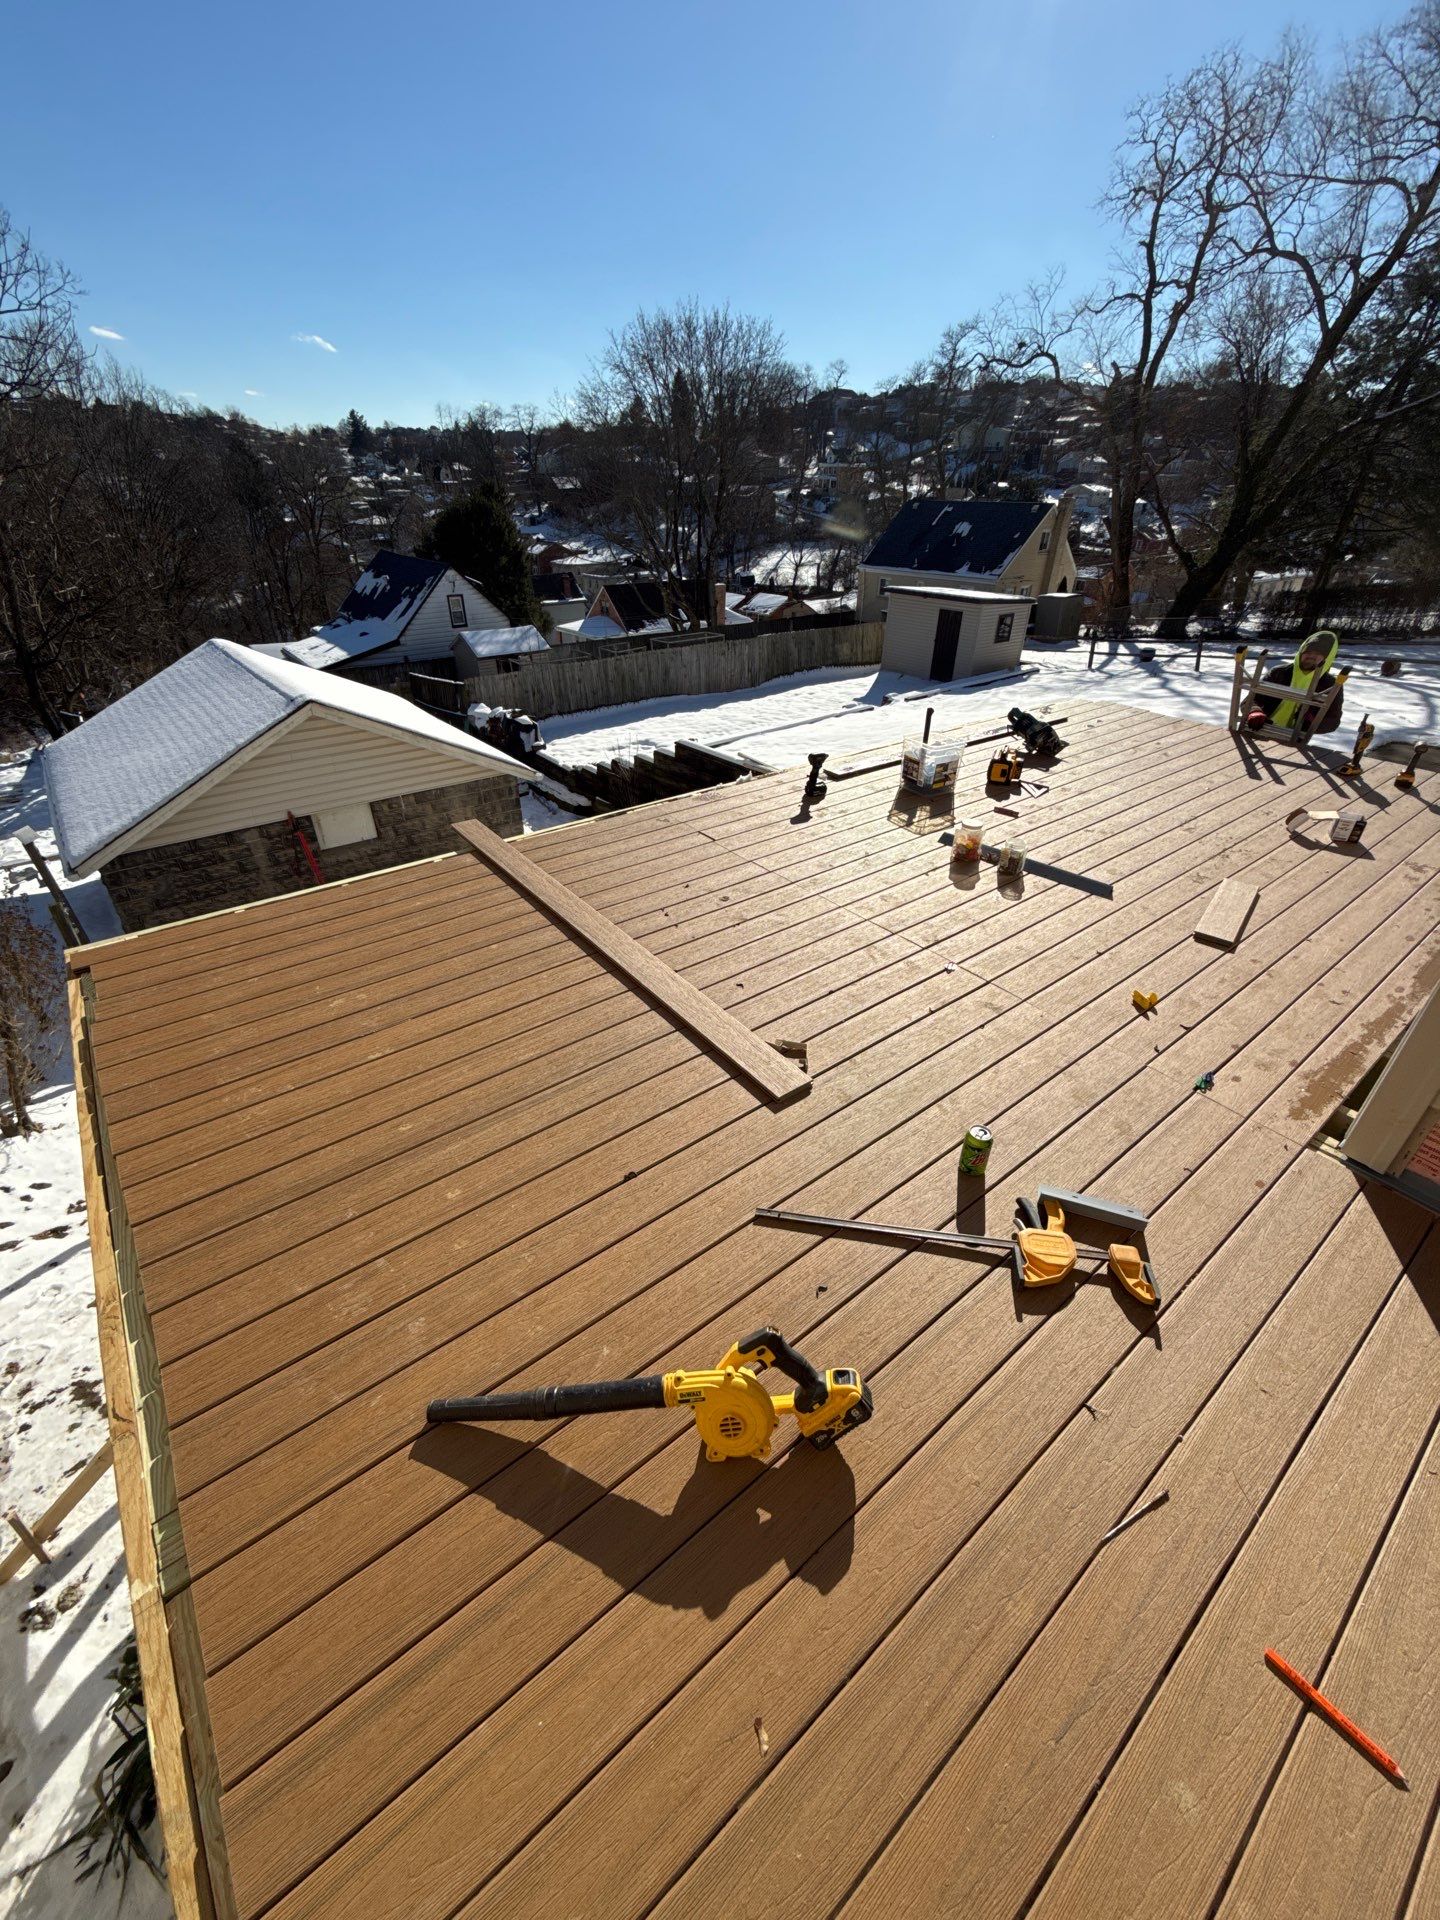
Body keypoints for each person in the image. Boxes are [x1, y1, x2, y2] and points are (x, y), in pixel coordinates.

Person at [1245, 631, 1344, 735]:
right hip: (1259, 728)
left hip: (1294, 739)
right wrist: (1255, 711)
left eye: (1318, 654)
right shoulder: (1279, 673)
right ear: (1301, 652)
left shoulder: (1330, 685)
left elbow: (1333, 721)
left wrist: (1312, 722)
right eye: (1308, 652)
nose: (1311, 656)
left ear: (1327, 658)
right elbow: (1251, 699)